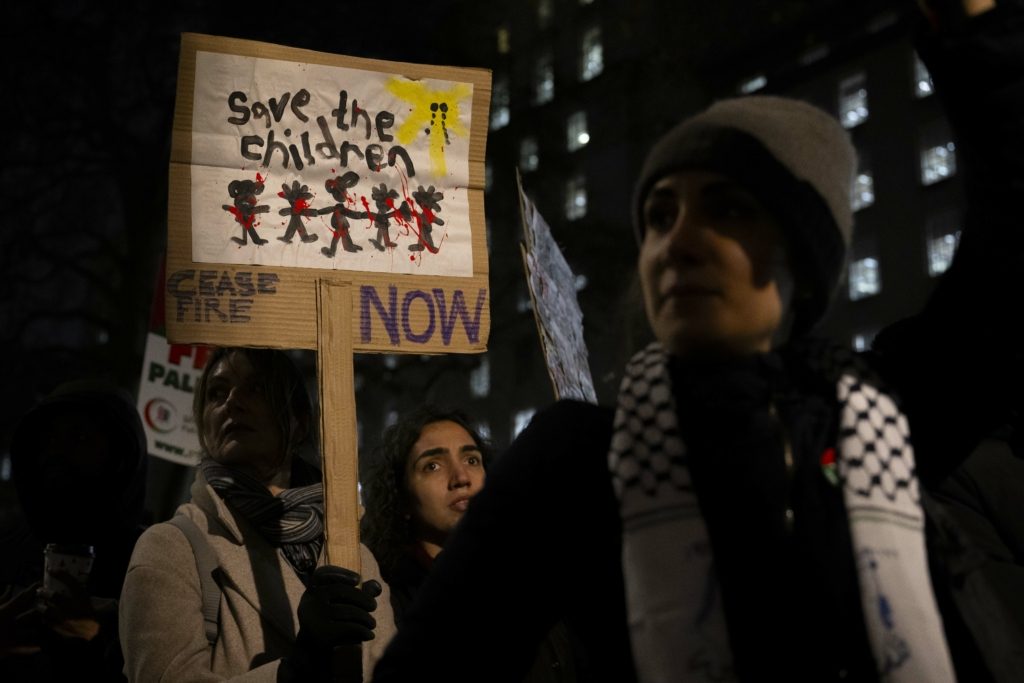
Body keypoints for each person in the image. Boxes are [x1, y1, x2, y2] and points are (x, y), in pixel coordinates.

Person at [373, 2, 1024, 682]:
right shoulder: (574, 464)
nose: (678, 242)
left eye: (727, 209)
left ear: (802, 258)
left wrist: (979, 31)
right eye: (660, 216)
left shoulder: (877, 412)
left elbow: (1009, 254)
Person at [119, 347, 395, 681]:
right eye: (216, 393)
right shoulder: (171, 547)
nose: (232, 402)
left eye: (257, 388)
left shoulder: (355, 556)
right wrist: (299, 666)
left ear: (299, 422)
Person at [362, 405, 577, 681]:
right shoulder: (390, 602)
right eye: (432, 465)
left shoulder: (535, 575)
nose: (461, 478)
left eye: (472, 460)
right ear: (402, 498)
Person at [1, 379, 148, 682]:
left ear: (120, 456)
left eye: (79, 437)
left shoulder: (148, 564)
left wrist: (95, 642)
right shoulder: (9, 542)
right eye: (48, 438)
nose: (56, 451)